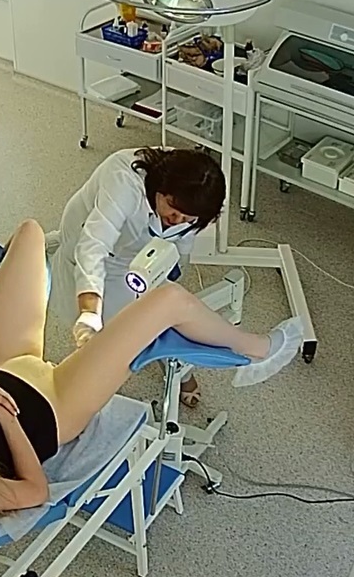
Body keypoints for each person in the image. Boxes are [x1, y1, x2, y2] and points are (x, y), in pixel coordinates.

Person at [0, 219, 302, 519]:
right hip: (53, 407)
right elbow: (33, 492)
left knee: (29, 234)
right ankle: (260, 350)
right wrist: (6, 418)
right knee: (168, 300)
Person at [48, 147, 225, 408]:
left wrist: (174, 265)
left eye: (186, 217)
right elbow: (93, 246)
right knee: (116, 333)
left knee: (158, 309)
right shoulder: (124, 182)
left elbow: (183, 239)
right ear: (159, 189)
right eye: (172, 208)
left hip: (141, 253)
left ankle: (176, 367)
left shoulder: (196, 200)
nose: (176, 219)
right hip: (92, 241)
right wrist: (89, 310)